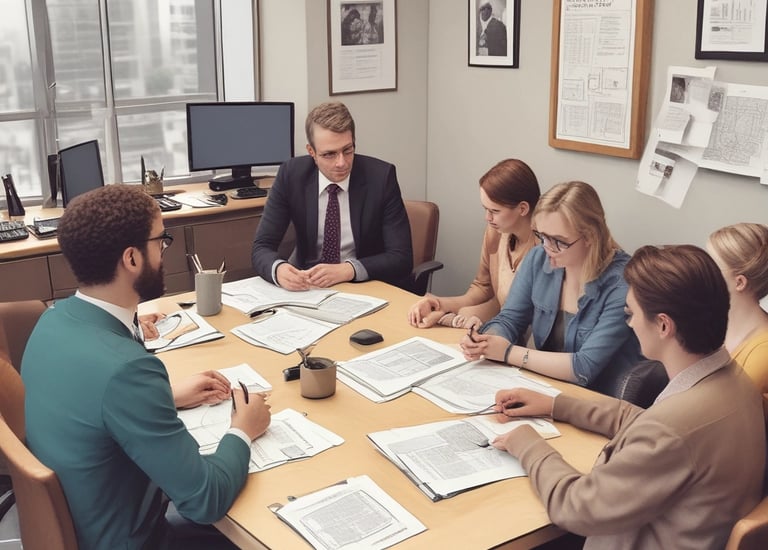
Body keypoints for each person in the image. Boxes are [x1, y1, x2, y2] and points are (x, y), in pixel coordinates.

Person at [22, 185, 272, 550]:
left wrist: (166, 397)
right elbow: (205, 501)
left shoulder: (51, 321)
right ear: (131, 258)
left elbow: (92, 404)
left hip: (83, 522)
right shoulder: (126, 371)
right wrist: (243, 430)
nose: (163, 252)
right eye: (161, 241)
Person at [490, 245, 766, 548]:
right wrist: (558, 405)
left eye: (631, 313)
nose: (630, 323)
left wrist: (528, 444)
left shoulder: (671, 430)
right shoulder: (734, 381)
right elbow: (652, 424)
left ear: (663, 325)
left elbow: (576, 507)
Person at [460, 181, 641, 396]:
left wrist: (507, 352)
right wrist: (485, 340)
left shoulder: (623, 283)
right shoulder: (538, 258)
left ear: (590, 237)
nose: (547, 248)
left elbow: (584, 368)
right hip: (547, 389)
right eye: (542, 236)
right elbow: (510, 319)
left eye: (558, 241)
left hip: (599, 400)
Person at [251, 101, 412, 290]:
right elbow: (261, 246)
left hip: (363, 286)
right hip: (309, 287)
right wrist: (279, 269)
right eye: (329, 154)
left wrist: (348, 270)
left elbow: (401, 258)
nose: (341, 163)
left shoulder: (381, 177)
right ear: (311, 152)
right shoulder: (291, 175)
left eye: (347, 150)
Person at [408, 158, 540, 330]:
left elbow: (524, 316)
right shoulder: (496, 233)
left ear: (522, 209)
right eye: (485, 209)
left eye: (494, 211)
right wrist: (437, 304)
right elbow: (484, 288)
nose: (487, 218)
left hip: (526, 336)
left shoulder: (545, 249)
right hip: (503, 326)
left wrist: (459, 317)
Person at [707, 222, 768, 415]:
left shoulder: (762, 355)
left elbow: (715, 416)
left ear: (739, 282)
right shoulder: (712, 324)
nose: (700, 273)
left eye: (710, 267)